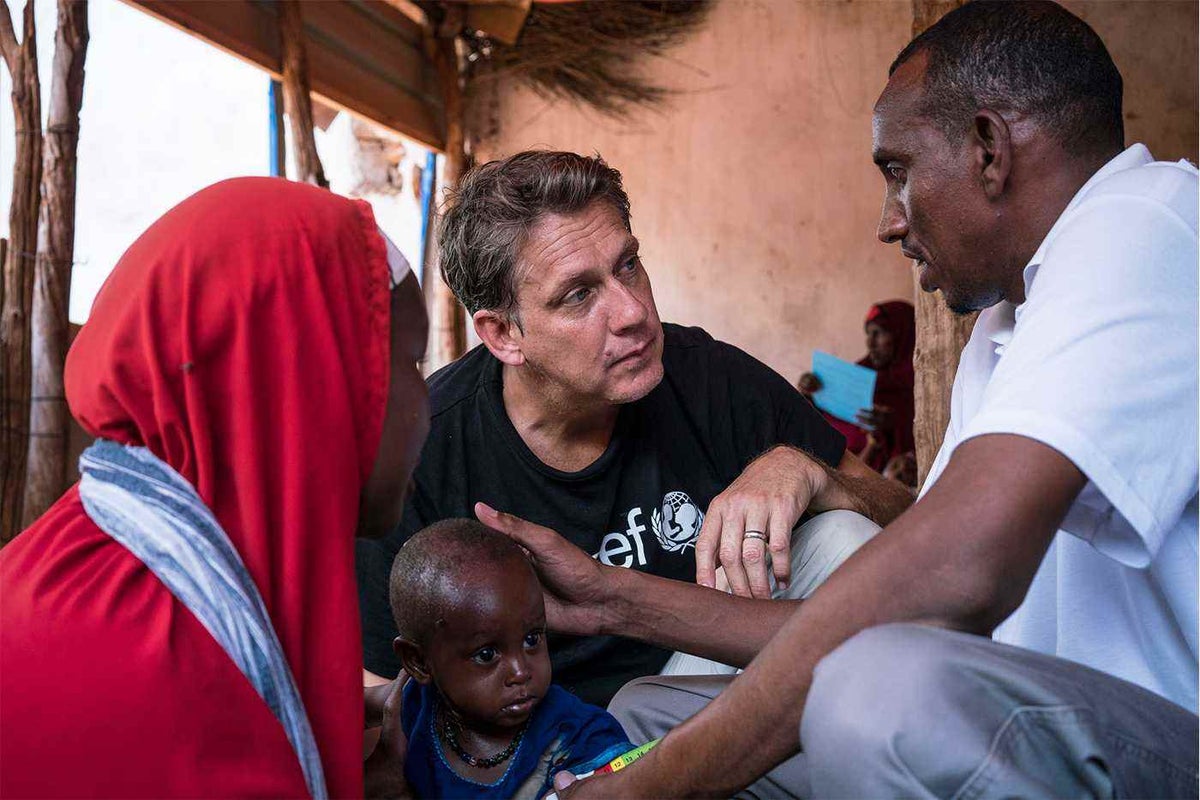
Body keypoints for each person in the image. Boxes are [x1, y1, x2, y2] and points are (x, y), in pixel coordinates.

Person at [477, 2, 1199, 797]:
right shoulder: (1006, 324)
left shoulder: (1149, 223)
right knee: (655, 711)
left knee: (875, 692)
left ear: (989, 151)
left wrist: (640, 790)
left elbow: (950, 574)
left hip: (1165, 745)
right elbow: (888, 612)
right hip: (1026, 719)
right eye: (578, 295)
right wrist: (613, 600)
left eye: (898, 172)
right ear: (501, 334)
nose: (889, 222)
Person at [357, 151, 914, 706]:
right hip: (540, 747)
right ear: (503, 335)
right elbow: (384, 687)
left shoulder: (709, 375)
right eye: (578, 295)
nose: (633, 312)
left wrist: (806, 471)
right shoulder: (424, 444)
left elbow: (912, 519)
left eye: (628, 265)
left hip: (711, 700)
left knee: (842, 534)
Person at [0, 178, 430, 798]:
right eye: (411, 362)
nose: (427, 405)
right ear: (308, 381)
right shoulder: (180, 699)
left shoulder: (83, 569)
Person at [387, 519, 632, 799]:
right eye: (487, 655)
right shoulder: (413, 710)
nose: (521, 671)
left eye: (532, 639)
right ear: (418, 662)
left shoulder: (579, 738)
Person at [799, 299, 916, 482]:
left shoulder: (922, 379)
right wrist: (811, 394)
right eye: (868, 334)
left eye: (879, 333)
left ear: (902, 334)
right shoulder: (858, 375)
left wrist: (894, 422)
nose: (870, 342)